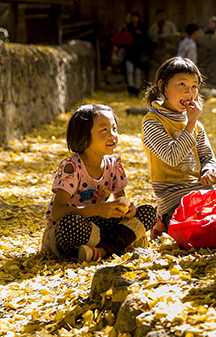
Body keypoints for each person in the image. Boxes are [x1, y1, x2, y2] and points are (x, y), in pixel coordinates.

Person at [40, 104, 157, 262]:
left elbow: (120, 200)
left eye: (114, 129)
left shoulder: (114, 164)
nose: (113, 135)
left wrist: (128, 209)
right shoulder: (71, 167)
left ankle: (100, 251)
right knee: (71, 225)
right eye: (104, 130)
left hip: (99, 225)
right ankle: (120, 242)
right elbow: (57, 213)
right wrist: (97, 210)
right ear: (84, 135)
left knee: (148, 212)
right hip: (70, 228)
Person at [142, 57, 216, 238]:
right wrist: (190, 123)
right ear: (162, 86)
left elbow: (208, 157)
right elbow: (173, 157)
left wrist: (210, 170)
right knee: (202, 231)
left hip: (203, 193)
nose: (189, 92)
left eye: (194, 86)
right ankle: (161, 219)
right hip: (174, 200)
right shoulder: (152, 122)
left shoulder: (196, 126)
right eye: (182, 84)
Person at [121, 12, 150, 96]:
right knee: (130, 71)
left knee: (138, 72)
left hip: (139, 54)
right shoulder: (128, 27)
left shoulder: (143, 28)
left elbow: (146, 40)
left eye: (136, 17)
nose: (134, 19)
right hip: (129, 53)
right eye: (133, 17)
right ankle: (131, 89)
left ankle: (136, 90)